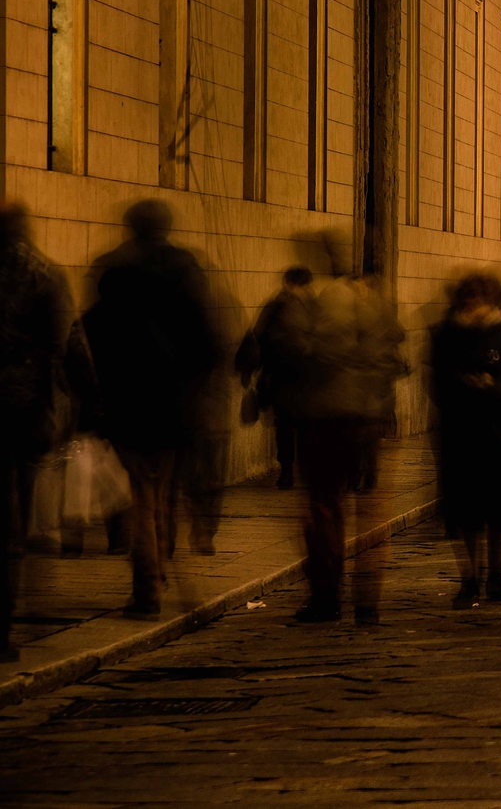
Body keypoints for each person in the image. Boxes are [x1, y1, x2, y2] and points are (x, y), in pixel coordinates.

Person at [82, 200, 221, 618]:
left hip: (129, 404)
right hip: (175, 404)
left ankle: (147, 591)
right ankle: (159, 570)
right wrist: (194, 391)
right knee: (162, 492)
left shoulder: (114, 271)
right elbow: (208, 343)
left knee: (142, 496)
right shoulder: (187, 270)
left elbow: (93, 339)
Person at [291, 243, 405, 623]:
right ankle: (367, 600)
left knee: (326, 507)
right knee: (369, 509)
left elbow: (324, 355)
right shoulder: (380, 308)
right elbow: (394, 358)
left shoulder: (334, 298)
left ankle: (326, 598)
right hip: (368, 419)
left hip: (330, 419)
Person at [0, 202, 78, 659]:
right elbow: (64, 342)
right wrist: (90, 404)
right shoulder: (44, 273)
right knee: (13, 522)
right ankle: (4, 628)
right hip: (22, 411)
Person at [430, 271, 501, 608]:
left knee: (500, 509)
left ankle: (498, 574)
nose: (472, 302)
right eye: (467, 296)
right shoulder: (448, 334)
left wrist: (495, 387)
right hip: (461, 434)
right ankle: (470, 577)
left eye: (478, 295)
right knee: (465, 511)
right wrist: (465, 384)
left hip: (500, 434)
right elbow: (438, 382)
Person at [236, 267, 315, 491]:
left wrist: (247, 370)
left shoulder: (274, 305)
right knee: (306, 427)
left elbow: (256, 338)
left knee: (285, 426)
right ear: (306, 284)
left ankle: (287, 472)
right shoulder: (315, 308)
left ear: (287, 282)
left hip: (280, 377)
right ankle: (302, 470)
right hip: (307, 379)